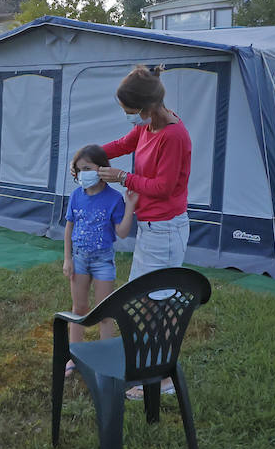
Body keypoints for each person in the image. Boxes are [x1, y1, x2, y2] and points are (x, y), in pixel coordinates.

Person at [95, 64, 193, 396]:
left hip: (165, 230)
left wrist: (122, 178)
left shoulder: (173, 135)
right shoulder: (148, 127)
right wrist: (90, 156)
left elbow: (164, 187)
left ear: (147, 107)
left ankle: (160, 378)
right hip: (152, 229)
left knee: (158, 304)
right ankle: (147, 362)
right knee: (143, 299)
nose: (128, 117)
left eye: (129, 111)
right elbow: (123, 144)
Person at [62, 144, 137, 373]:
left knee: (105, 311)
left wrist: (130, 207)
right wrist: (68, 259)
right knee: (79, 308)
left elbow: (122, 232)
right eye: (79, 169)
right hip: (80, 259)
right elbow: (69, 228)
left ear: (102, 168)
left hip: (103, 261)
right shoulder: (76, 196)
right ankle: (74, 355)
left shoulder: (114, 199)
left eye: (88, 168)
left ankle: (105, 356)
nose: (83, 173)